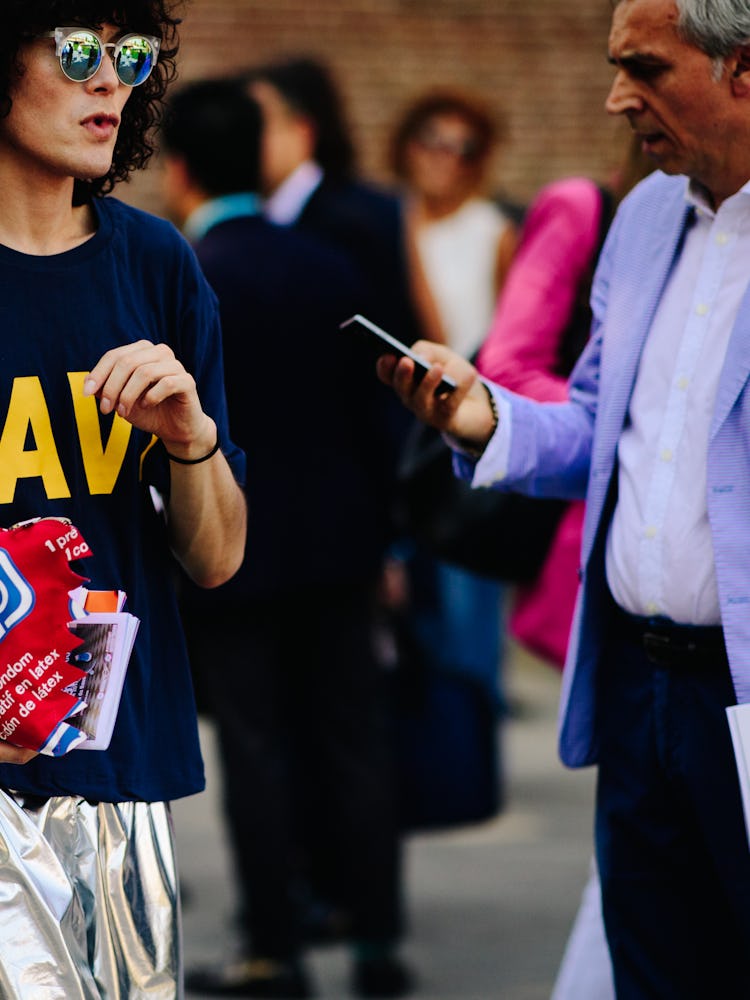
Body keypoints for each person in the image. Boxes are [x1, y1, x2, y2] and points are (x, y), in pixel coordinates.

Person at [377, 0, 750, 995]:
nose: (614, 96)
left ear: (742, 69)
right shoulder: (643, 220)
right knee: (655, 968)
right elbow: (594, 424)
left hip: (743, 695)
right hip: (638, 686)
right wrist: (484, 417)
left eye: (645, 68)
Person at [0, 4, 247, 999]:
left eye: (130, 56)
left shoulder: (156, 264)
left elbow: (219, 556)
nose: (111, 80)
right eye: (76, 53)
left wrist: (192, 442)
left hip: (119, 768)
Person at [160, 79, 412, 999]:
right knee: (356, 740)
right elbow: (375, 415)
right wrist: (392, 542)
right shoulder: (329, 263)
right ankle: (378, 940)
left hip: (237, 555)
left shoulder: (184, 273)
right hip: (344, 541)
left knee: (257, 748)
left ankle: (275, 948)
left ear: (179, 167)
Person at [243, 55, 422, 347]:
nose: (245, 140)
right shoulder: (253, 217)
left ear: (302, 130)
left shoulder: (367, 217)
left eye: (257, 125)